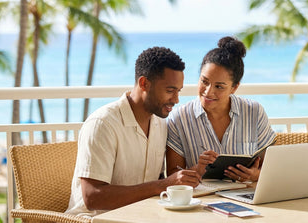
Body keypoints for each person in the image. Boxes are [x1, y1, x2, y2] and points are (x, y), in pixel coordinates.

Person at [66, 47, 201, 218]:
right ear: (144, 83)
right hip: (94, 219)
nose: (175, 100)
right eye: (169, 91)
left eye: (178, 91)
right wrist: (162, 185)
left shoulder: (160, 124)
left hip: (141, 217)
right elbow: (92, 197)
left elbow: (157, 181)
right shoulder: (102, 124)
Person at [166, 36, 276, 183]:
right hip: (202, 200)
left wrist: (255, 176)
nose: (208, 92)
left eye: (219, 86)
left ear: (234, 87)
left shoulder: (254, 112)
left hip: (245, 197)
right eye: (204, 81)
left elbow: (272, 166)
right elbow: (172, 174)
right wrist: (198, 169)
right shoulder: (178, 118)